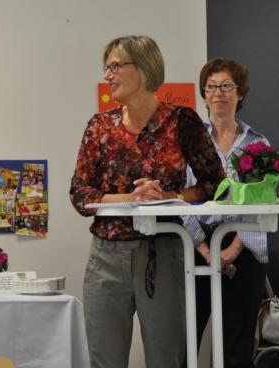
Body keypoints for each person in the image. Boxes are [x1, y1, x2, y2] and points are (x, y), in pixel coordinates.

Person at [70, 35, 224, 368]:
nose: (107, 75)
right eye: (106, 67)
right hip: (106, 258)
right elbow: (80, 194)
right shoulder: (100, 127)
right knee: (105, 361)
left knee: (166, 360)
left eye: (115, 66)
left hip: (164, 252)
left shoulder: (182, 121)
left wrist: (171, 197)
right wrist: (133, 199)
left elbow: (215, 185)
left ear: (143, 68)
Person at [182, 58, 269, 368]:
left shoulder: (258, 144)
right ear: (204, 94)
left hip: (243, 249)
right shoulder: (188, 143)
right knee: (184, 344)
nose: (218, 93)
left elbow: (262, 203)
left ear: (240, 93)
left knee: (237, 346)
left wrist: (231, 251)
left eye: (226, 86)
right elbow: (181, 200)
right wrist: (207, 251)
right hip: (194, 247)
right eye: (211, 86)